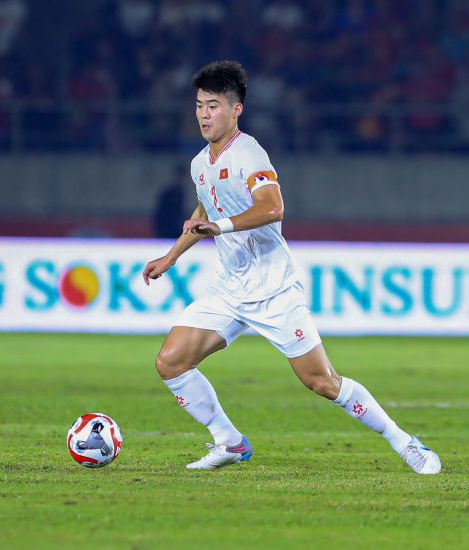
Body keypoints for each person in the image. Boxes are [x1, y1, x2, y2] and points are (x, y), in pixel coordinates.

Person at [142, 61, 441, 474]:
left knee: (322, 382)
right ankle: (229, 442)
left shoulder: (249, 153)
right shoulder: (199, 164)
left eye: (213, 106)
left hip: (274, 290)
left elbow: (272, 207)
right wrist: (171, 256)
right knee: (171, 361)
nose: (204, 115)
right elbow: (206, 211)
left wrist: (220, 226)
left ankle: (405, 442)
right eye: (199, 105)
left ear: (236, 110)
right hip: (230, 289)